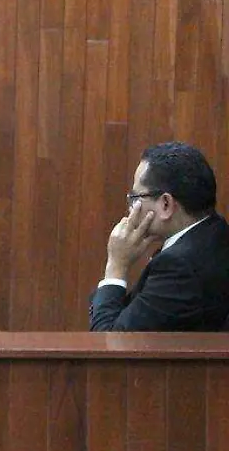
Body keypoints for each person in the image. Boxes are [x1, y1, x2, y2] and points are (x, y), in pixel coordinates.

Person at [89, 141, 229, 331]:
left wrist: (116, 265)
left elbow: (109, 341)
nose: (131, 209)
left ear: (165, 204)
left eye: (135, 198)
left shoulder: (179, 268)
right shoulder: (217, 231)